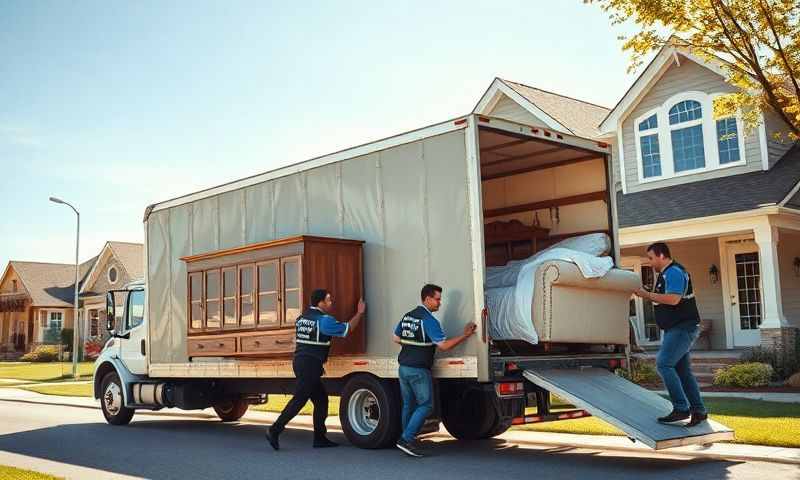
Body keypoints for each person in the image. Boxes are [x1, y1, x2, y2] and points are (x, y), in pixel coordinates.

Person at [266, 289, 365, 450]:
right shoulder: (324, 321)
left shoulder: (302, 318)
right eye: (328, 300)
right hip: (309, 364)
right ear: (320, 303)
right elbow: (347, 329)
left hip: (302, 362)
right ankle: (274, 430)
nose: (331, 302)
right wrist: (359, 313)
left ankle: (319, 438)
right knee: (299, 399)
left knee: (321, 399)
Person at [392, 284, 477, 457]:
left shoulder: (408, 316)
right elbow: (444, 346)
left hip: (403, 368)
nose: (440, 303)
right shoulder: (429, 321)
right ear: (427, 299)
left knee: (409, 404)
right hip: (418, 370)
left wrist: (411, 348)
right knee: (426, 405)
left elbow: (395, 338)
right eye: (437, 299)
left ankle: (405, 439)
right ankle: (406, 440)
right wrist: (466, 335)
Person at [635, 242, 707, 427]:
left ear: (661, 256)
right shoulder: (665, 274)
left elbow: (674, 299)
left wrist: (646, 295)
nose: (650, 262)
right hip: (675, 328)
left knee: (664, 364)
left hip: (682, 328)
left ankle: (681, 408)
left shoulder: (674, 272)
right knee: (682, 371)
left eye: (651, 258)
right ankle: (698, 411)